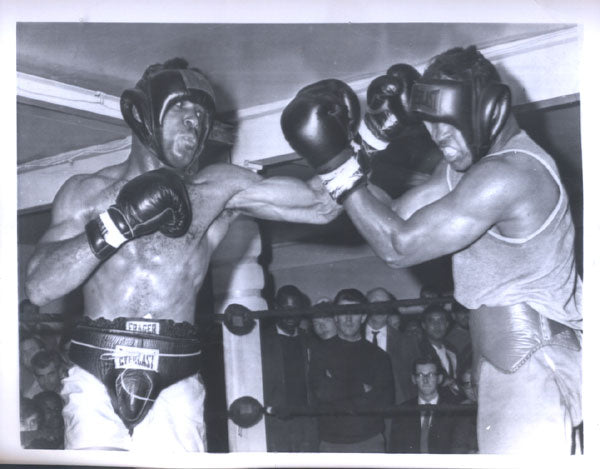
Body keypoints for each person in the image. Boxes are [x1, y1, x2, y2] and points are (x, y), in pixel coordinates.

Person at [24, 58, 343, 451]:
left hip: (175, 383)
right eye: (181, 108)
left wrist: (369, 138)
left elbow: (321, 205)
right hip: (94, 381)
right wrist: (119, 223)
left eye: (202, 114)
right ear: (143, 113)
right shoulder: (84, 193)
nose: (195, 122)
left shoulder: (215, 189)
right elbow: (39, 287)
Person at [281, 47, 582, 454]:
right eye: (429, 123)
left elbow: (397, 246)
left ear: (487, 109)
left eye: (446, 122)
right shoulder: (470, 170)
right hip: (510, 364)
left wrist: (335, 163)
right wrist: (364, 140)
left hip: (534, 363)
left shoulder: (510, 174)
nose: (437, 136)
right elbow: (391, 216)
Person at [309, 288, 394, 453]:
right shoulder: (320, 352)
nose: (348, 320)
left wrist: (337, 387)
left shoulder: (379, 356)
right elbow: (321, 393)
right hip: (331, 444)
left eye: (354, 313)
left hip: (370, 442)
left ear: (363, 317)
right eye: (343, 313)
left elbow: (385, 402)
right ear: (335, 317)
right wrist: (361, 388)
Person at [260, 285, 318, 452]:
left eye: (296, 308)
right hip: (275, 425)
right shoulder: (262, 340)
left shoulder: (308, 339)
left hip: (306, 424)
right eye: (286, 308)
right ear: (276, 308)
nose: (291, 314)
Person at [389, 357, 459, 454]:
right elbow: (395, 451)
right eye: (420, 375)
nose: (425, 380)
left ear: (439, 378)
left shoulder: (455, 410)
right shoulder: (402, 411)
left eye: (431, 375)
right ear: (414, 379)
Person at [365, 287, 420, 405]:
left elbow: (414, 385)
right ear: (365, 306)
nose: (380, 308)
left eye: (384, 303)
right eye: (375, 303)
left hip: (395, 412)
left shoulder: (406, 342)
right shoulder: (355, 337)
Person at [417, 305, 459, 395]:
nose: (437, 325)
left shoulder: (452, 350)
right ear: (424, 325)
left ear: (447, 324)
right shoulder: (417, 351)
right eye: (432, 321)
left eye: (441, 320)